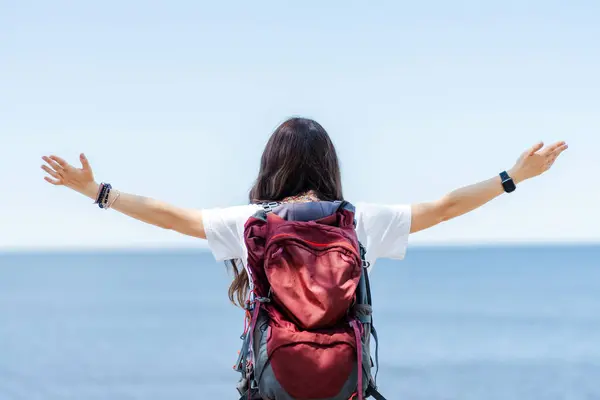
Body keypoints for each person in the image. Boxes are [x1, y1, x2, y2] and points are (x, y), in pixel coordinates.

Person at [41, 117, 567, 399]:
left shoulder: (250, 222)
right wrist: (513, 177)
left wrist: (99, 191)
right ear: (329, 164)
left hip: (274, 383)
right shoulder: (360, 222)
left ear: (271, 165)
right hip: (343, 384)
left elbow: (170, 215)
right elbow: (446, 206)